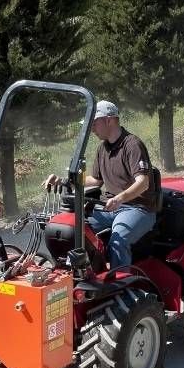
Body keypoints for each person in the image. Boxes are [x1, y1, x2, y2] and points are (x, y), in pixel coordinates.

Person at [44, 100, 156, 271]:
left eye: (94, 123)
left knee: (119, 240)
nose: (92, 129)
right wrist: (63, 181)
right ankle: (85, 275)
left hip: (137, 208)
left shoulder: (132, 145)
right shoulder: (102, 149)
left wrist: (120, 198)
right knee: (74, 231)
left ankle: (120, 286)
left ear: (109, 120)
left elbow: (143, 183)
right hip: (110, 207)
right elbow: (96, 180)